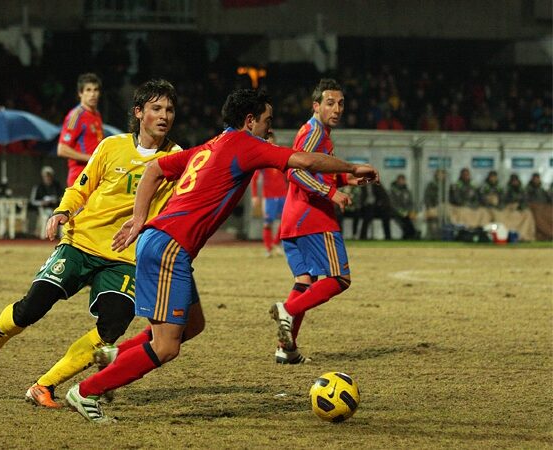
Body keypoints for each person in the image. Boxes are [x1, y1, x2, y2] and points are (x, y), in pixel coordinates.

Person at [65, 88, 379, 422]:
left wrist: (141, 219)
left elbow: (155, 170)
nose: (270, 130)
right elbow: (304, 159)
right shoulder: (245, 144)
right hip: (170, 248)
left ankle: (116, 357)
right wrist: (351, 167)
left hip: (162, 243)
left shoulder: (214, 144)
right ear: (249, 121)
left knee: (192, 324)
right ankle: (87, 392)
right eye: (267, 122)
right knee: (166, 346)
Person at [0, 79, 182, 409]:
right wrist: (62, 211)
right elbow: (81, 187)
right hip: (81, 242)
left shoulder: (177, 158)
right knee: (30, 308)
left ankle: (44, 385)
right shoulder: (111, 146)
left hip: (126, 255)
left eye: (170, 110)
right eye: (156, 108)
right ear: (139, 112)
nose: (164, 116)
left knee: (112, 327)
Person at [272, 78, 374, 365]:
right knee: (339, 279)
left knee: (304, 281)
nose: (337, 108)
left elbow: (317, 169)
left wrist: (348, 179)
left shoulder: (316, 132)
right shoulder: (315, 132)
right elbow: (295, 171)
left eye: (341, 103)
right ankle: (287, 310)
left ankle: (286, 348)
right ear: (316, 105)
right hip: (312, 217)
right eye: (330, 103)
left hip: (294, 217)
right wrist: (332, 193)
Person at [57, 73, 104, 187]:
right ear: (80, 93)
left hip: (95, 176)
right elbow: (62, 149)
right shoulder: (76, 116)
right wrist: (91, 158)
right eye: (88, 90)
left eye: (95, 90)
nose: (93, 94)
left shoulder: (96, 114)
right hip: (79, 178)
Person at [250, 132, 287, 257]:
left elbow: (288, 174)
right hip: (269, 196)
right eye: (267, 141)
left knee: (285, 221)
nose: (270, 144)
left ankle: (277, 243)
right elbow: (254, 178)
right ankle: (268, 248)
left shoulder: (281, 154)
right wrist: (255, 196)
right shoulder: (262, 158)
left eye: (272, 141)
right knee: (268, 222)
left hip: (283, 194)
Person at [29, 166, 64, 239]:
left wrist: (56, 200)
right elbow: (32, 201)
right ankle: (45, 236)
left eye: (49, 176)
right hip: (43, 209)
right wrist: (41, 202)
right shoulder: (39, 187)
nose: (48, 178)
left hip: (56, 208)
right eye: (46, 176)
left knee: (62, 216)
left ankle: (61, 236)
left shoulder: (57, 186)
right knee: (46, 216)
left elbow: (62, 197)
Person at [389, 174, 418, 239]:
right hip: (395, 212)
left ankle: (410, 234)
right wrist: (402, 212)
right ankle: (412, 233)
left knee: (409, 217)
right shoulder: (393, 191)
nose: (402, 182)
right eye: (400, 180)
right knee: (404, 219)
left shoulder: (407, 191)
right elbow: (393, 204)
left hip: (406, 212)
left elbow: (411, 203)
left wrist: (411, 211)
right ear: (397, 181)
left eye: (403, 180)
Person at [424, 169, 447, 239]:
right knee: (433, 224)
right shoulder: (431, 185)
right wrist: (430, 207)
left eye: (442, 174)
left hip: (445, 209)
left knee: (444, 223)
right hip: (434, 207)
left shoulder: (447, 185)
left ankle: (444, 237)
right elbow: (427, 197)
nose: (441, 176)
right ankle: (433, 237)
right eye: (439, 174)